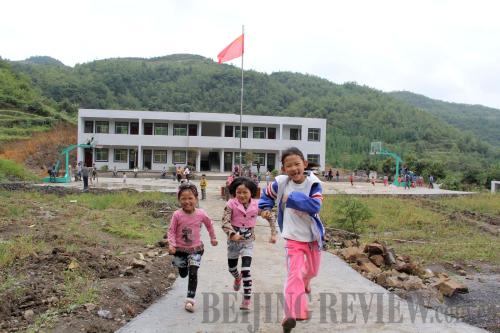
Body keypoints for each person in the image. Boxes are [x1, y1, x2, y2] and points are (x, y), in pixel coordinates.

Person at [259, 147, 325, 332]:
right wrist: (265, 207)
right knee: (293, 275)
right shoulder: (280, 183)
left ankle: (305, 284)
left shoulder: (314, 183)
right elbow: (266, 196)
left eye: (297, 164)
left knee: (311, 272)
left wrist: (291, 198)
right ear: (283, 169)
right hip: (293, 237)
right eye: (289, 166)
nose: (294, 168)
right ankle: (291, 314)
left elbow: (315, 206)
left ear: (304, 164)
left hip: (312, 237)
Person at [222, 177, 277, 311]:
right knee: (232, 269)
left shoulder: (257, 205)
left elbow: (270, 216)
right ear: (234, 193)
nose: (241, 195)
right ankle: (237, 278)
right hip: (233, 243)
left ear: (251, 193)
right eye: (238, 192)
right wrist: (232, 234)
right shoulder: (230, 204)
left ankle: (247, 299)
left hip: (248, 242)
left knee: (246, 270)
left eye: (245, 192)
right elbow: (224, 222)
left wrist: (273, 233)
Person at [167, 183, 218, 312]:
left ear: (196, 199)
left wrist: (213, 238)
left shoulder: (201, 214)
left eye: (190, 198)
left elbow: (209, 225)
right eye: (183, 199)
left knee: (193, 272)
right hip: (179, 250)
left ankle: (190, 300)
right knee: (183, 273)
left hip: (196, 249)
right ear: (179, 200)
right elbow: (171, 231)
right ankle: (182, 268)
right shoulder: (177, 215)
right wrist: (171, 244)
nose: (187, 201)